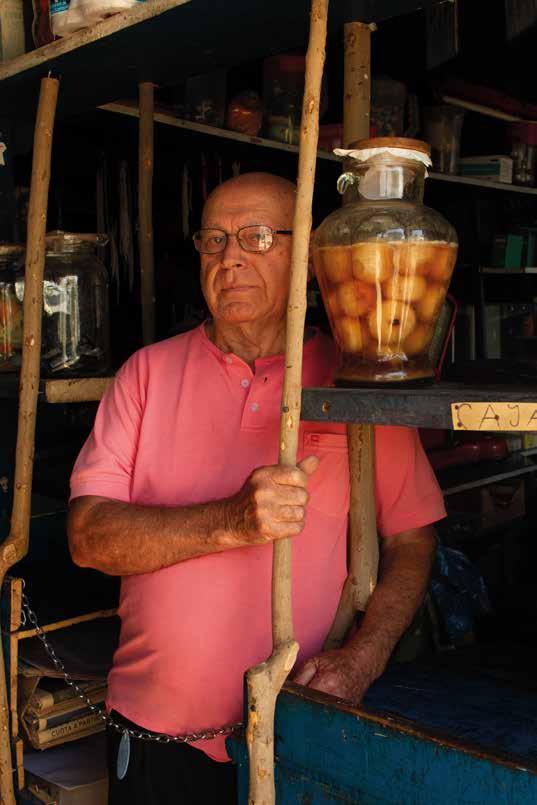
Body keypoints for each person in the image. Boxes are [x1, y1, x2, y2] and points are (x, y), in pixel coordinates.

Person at [68, 172, 446, 805]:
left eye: (258, 236)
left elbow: (412, 541)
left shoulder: (354, 383)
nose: (230, 258)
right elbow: (88, 538)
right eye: (214, 239)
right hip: (156, 733)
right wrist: (232, 521)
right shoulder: (147, 374)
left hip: (299, 732)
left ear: (307, 256)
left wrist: (363, 659)